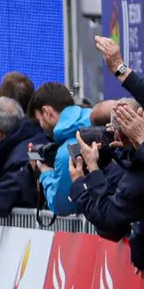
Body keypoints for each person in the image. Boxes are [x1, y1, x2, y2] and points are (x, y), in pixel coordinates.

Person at [28, 82, 92, 215]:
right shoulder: (94, 119)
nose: (42, 127)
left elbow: (62, 205)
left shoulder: (66, 153)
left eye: (40, 120)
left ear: (47, 112)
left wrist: (45, 173)